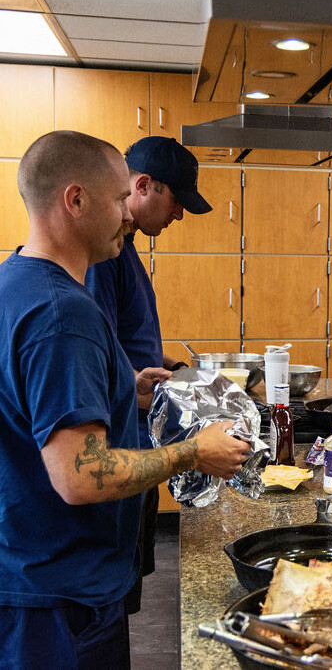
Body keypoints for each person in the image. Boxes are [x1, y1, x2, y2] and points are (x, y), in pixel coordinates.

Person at [0, 130, 249, 667]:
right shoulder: (62, 314)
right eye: (118, 200)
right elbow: (79, 475)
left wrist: (120, 388)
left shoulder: (13, 283)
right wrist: (193, 452)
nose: (126, 215)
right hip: (62, 597)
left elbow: (29, 408)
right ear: (76, 200)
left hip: (28, 571)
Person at [85, 135, 213, 614]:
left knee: (126, 589)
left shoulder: (126, 253)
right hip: (119, 446)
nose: (179, 215)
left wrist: (172, 374)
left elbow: (126, 346)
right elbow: (97, 360)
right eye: (177, 201)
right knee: (114, 599)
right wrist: (140, 389)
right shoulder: (104, 259)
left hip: (136, 442)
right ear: (143, 186)